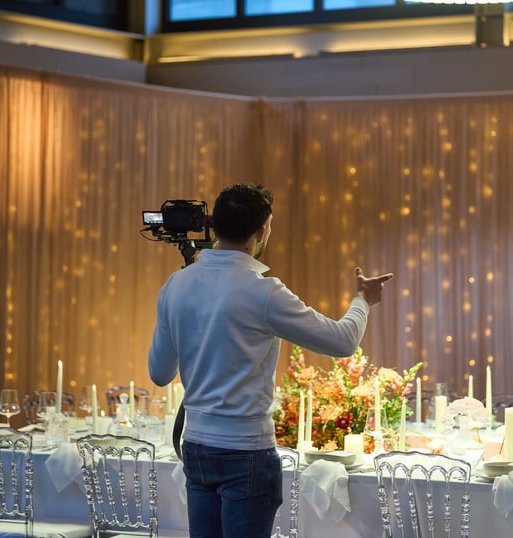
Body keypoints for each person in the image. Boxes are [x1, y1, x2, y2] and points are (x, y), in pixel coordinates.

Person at [148, 183, 393, 538]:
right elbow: (342, 342)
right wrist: (363, 301)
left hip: (197, 447)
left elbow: (159, 373)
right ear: (261, 232)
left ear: (214, 226)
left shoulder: (175, 285)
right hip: (246, 450)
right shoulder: (262, 292)